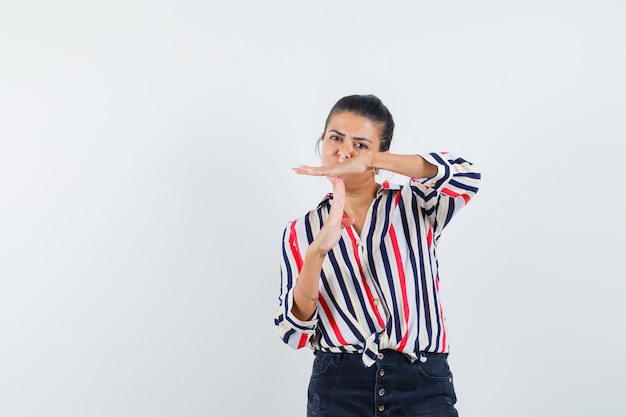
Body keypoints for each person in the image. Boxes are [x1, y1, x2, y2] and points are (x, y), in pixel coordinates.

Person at [274, 94, 481, 417]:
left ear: (380, 153)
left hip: (420, 381)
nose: (344, 151)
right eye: (336, 138)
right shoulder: (300, 231)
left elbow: (465, 175)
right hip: (338, 385)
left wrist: (374, 161)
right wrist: (316, 253)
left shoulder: (417, 204)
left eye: (360, 144)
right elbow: (294, 333)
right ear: (322, 141)